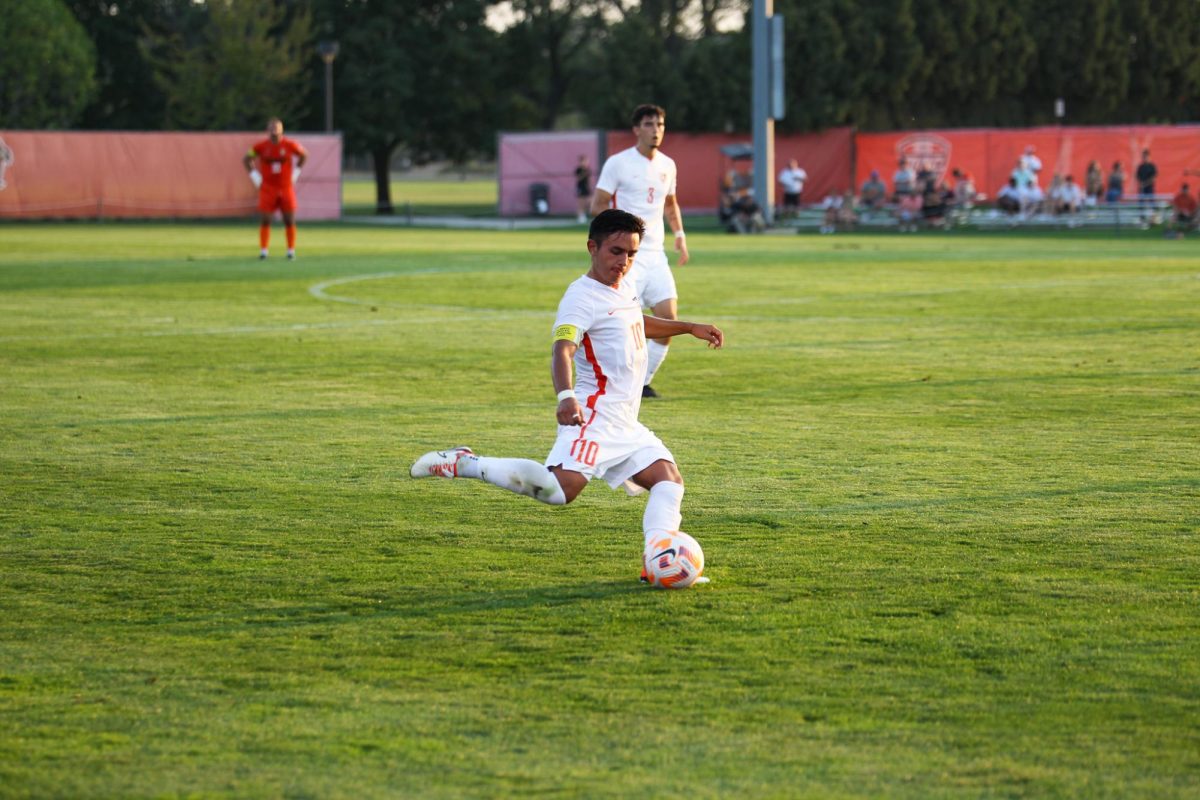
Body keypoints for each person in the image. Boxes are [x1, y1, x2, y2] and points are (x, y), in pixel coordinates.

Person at [409, 209, 724, 582]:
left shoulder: (624, 284)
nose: (623, 261)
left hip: (625, 422)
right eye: (616, 251)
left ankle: (658, 561)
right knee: (559, 491)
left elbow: (635, 321)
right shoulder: (580, 297)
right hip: (592, 416)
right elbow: (563, 349)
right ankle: (465, 463)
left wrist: (688, 327)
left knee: (669, 481)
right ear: (593, 247)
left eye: (631, 254)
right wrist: (566, 396)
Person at [590, 104, 688, 399]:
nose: (655, 130)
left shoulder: (667, 165)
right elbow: (598, 205)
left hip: (656, 255)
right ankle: (612, 379)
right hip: (627, 257)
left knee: (667, 320)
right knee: (623, 322)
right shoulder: (618, 163)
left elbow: (670, 203)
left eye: (660, 124)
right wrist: (615, 238)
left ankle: (641, 383)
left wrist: (680, 235)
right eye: (649, 124)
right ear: (636, 129)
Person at [243, 117, 307, 260]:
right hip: (268, 188)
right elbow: (246, 159)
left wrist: (296, 173)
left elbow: (304, 155)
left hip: (285, 187)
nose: (274, 131)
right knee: (266, 219)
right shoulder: (261, 147)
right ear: (268, 130)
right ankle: (264, 251)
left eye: (277, 128)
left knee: (289, 219)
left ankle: (291, 251)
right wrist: (255, 176)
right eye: (272, 128)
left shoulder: (290, 145)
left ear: (282, 129)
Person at [574, 155, 592, 223]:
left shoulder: (588, 169)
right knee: (581, 203)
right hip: (580, 188)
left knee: (589, 201)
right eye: (585, 161)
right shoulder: (579, 169)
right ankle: (580, 216)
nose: (586, 162)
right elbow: (579, 178)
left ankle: (584, 214)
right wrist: (584, 173)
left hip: (586, 187)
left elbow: (588, 180)